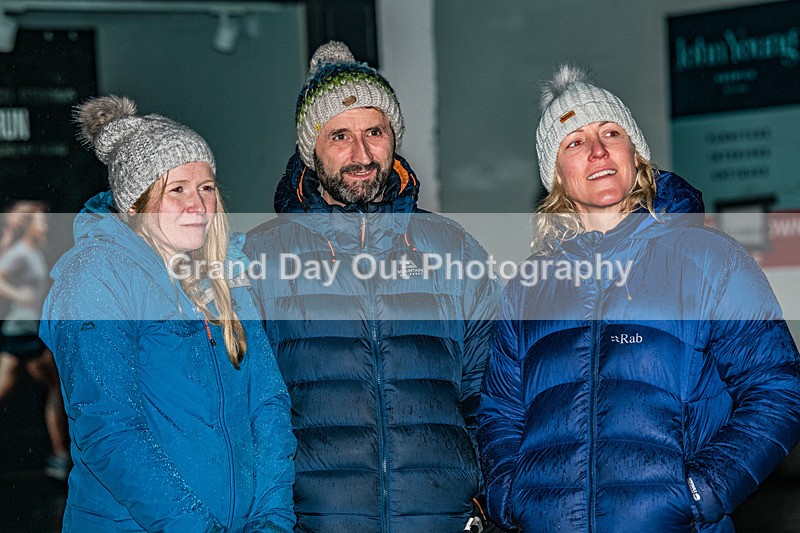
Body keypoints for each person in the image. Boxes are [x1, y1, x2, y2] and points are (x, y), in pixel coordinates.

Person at [477, 64, 800, 532]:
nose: (597, 150)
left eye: (611, 132)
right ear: (556, 176)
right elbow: (500, 412)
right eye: (574, 142)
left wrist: (700, 492)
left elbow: (778, 388)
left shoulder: (710, 259)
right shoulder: (527, 289)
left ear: (637, 154)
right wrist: (511, 496)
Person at [245, 41, 500, 532]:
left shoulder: (453, 249)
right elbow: (243, 409)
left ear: (393, 137)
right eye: (339, 135)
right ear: (309, 148)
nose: (361, 154)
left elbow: (490, 396)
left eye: (375, 131)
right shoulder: (257, 258)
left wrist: (484, 497)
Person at [39, 95, 296, 532]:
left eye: (206, 187)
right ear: (137, 203)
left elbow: (267, 407)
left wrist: (272, 520)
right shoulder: (96, 277)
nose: (197, 205)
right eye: (176, 189)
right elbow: (110, 432)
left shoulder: (226, 274)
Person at [0, 200, 71, 480]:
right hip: (21, 330)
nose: (47, 224)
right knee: (54, 386)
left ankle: (60, 456)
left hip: (28, 328)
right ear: (29, 226)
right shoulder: (19, 251)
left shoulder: (34, 250)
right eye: (41, 220)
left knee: (52, 385)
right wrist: (21, 296)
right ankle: (60, 456)